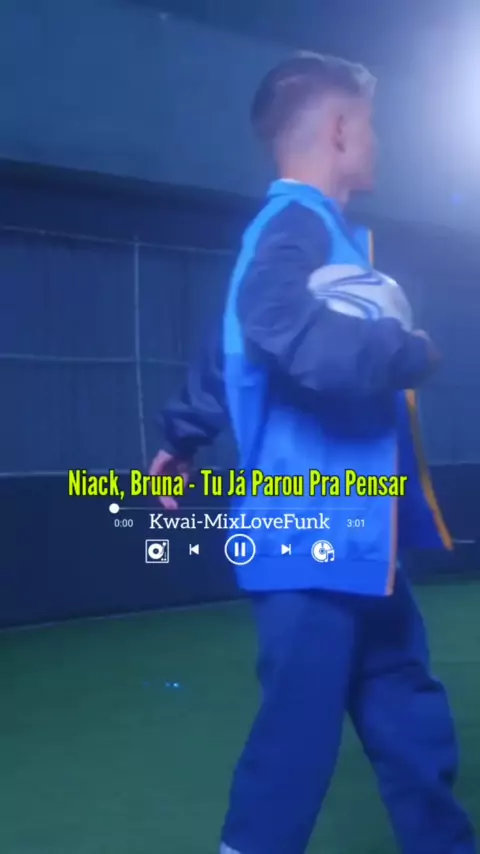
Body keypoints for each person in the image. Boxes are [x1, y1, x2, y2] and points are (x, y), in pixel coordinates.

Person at [150, 53, 476, 854]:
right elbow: (272, 323)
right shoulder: (293, 224)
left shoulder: (314, 236)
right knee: (295, 742)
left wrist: (183, 435)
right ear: (338, 130)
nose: (377, 140)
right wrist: (402, 353)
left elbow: (231, 341)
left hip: (361, 542)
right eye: (370, 124)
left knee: (410, 719)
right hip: (308, 535)